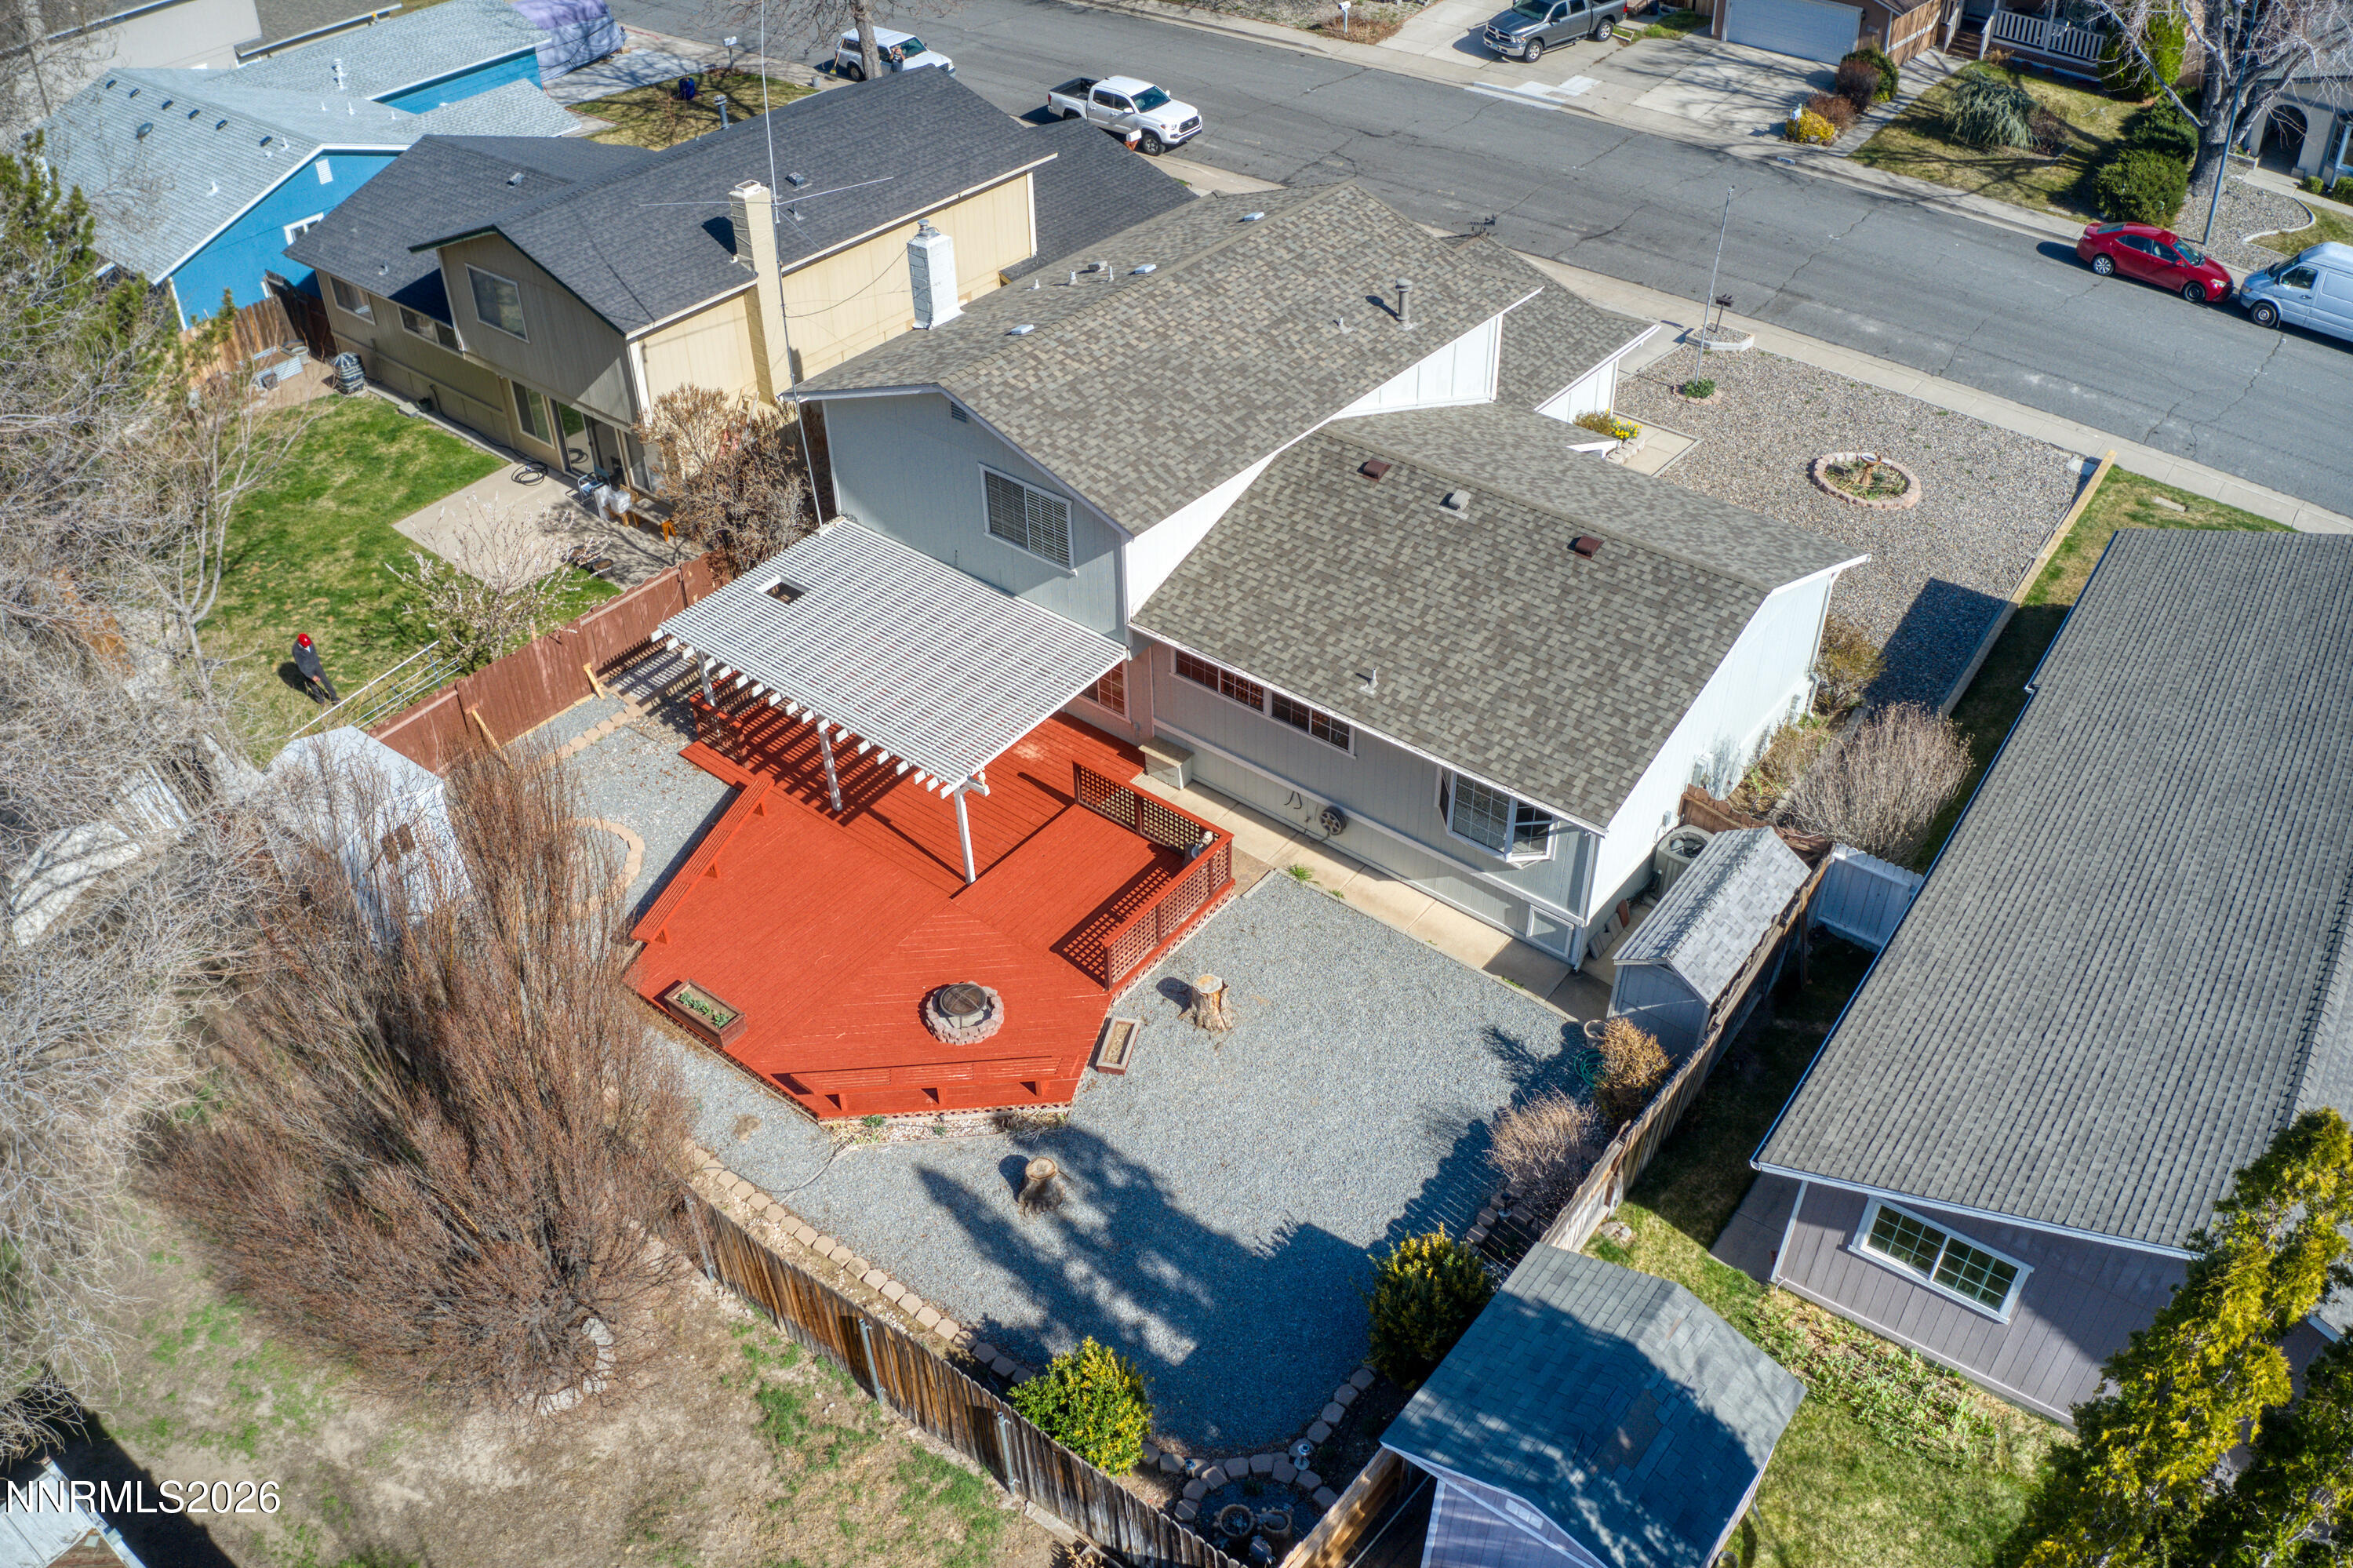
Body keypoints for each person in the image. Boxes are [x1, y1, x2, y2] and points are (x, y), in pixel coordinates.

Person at [293, 633, 337, 704]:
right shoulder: (296, 651)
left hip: (316, 665)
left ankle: (335, 699)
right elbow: (302, 667)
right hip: (308, 669)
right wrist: (311, 676)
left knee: (326, 681)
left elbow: (314, 651)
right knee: (313, 686)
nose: (308, 646)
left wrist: (317, 660)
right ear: (300, 642)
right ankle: (321, 701)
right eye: (306, 645)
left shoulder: (308, 641)